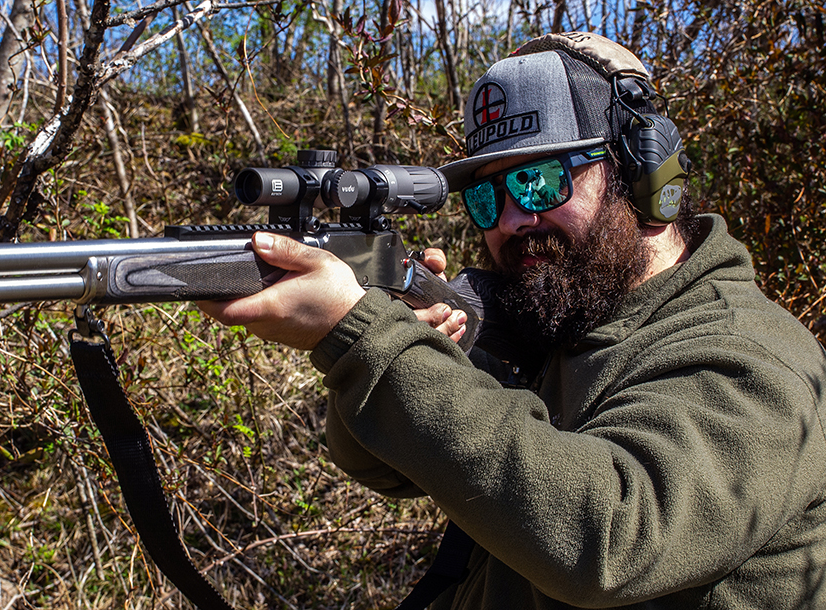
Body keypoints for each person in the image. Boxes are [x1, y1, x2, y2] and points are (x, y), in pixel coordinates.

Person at [200, 31, 826, 608]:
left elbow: (604, 539)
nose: (508, 220)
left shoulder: (747, 352)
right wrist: (393, 338)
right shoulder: (564, 313)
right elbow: (381, 469)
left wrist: (363, 332)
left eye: (539, 181)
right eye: (486, 194)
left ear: (640, 173)